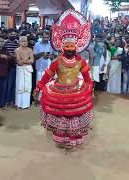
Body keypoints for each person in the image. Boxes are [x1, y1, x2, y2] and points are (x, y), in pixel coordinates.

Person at [34, 9, 93, 149]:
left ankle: (72, 139)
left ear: (76, 47)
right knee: (62, 117)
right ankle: (62, 139)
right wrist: (39, 87)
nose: (70, 48)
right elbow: (47, 75)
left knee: (74, 117)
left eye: (72, 46)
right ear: (62, 47)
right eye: (67, 46)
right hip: (59, 92)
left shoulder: (81, 62)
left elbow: (87, 78)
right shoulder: (57, 61)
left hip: (75, 92)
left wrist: (90, 89)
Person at [15, 36, 34, 109]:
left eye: (25, 41)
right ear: (19, 42)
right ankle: (19, 104)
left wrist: (24, 61)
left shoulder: (30, 50)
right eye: (22, 41)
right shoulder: (17, 50)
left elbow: (32, 60)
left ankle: (26, 104)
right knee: (20, 85)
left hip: (28, 69)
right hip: (20, 69)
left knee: (27, 85)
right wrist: (27, 61)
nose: (24, 42)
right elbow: (19, 62)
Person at [4, 29, 19, 108]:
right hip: (7, 66)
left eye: (14, 34)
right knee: (8, 85)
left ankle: (12, 100)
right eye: (11, 34)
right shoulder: (5, 43)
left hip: (15, 66)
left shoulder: (18, 43)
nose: (13, 35)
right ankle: (6, 101)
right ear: (8, 34)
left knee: (14, 84)